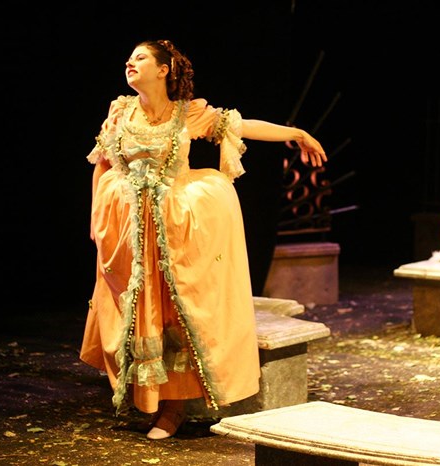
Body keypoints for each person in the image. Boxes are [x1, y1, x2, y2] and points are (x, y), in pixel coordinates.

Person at [79, 39, 327, 440]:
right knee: (136, 310)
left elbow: (243, 126)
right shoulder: (120, 111)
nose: (129, 62)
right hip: (127, 227)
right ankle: (148, 400)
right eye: (129, 57)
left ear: (163, 70)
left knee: (173, 310)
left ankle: (173, 410)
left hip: (176, 225)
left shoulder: (188, 113)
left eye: (140, 57)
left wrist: (295, 133)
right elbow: (103, 163)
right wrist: (96, 215)